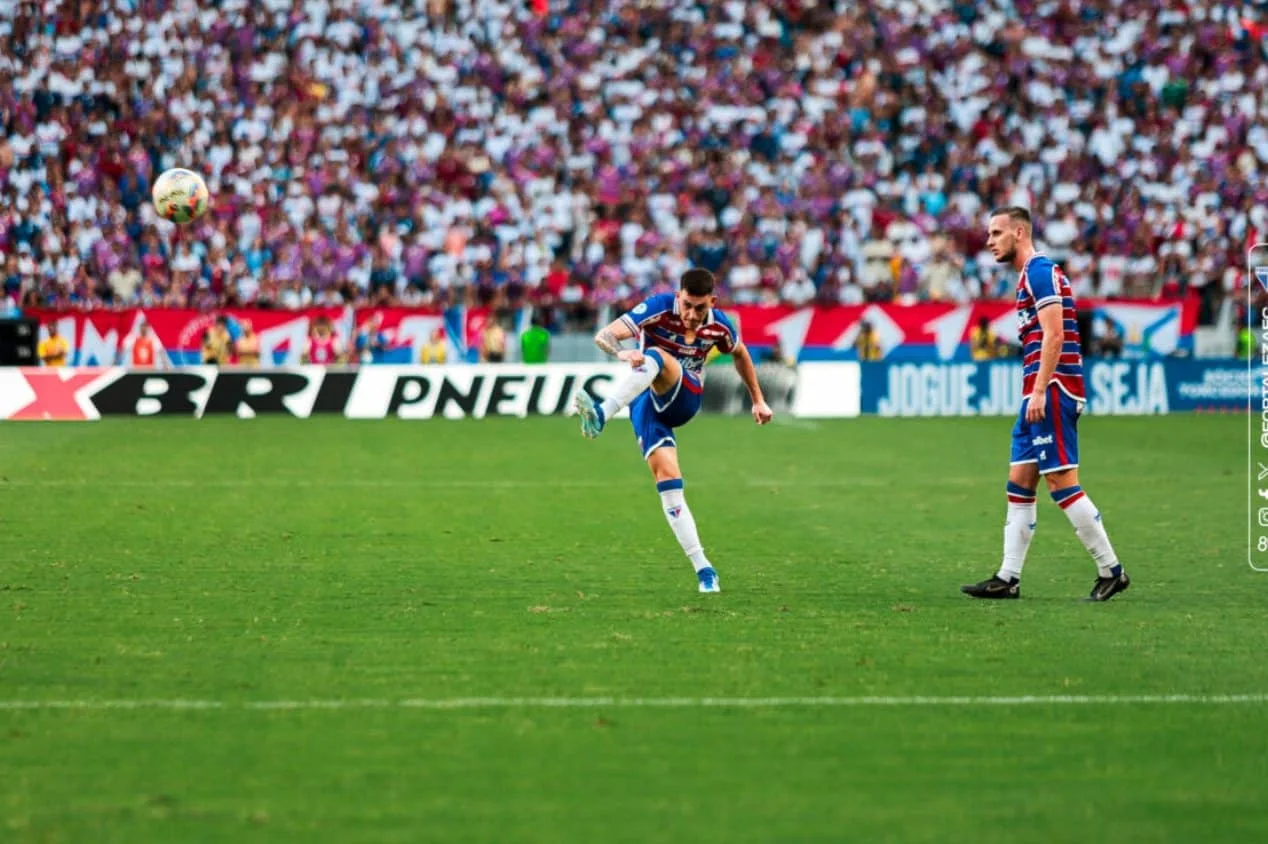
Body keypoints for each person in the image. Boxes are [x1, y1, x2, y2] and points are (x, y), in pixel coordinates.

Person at [962, 207, 1130, 602]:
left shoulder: (1039, 271)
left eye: (997, 233)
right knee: (1020, 482)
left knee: (1060, 482)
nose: (990, 241)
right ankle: (1008, 577)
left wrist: (1039, 390)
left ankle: (1112, 570)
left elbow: (1055, 335)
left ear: (1019, 232)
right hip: (1036, 392)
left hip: (1052, 389)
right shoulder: (1029, 275)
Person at [573, 268, 774, 593]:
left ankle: (602, 413)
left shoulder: (720, 325)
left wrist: (758, 400)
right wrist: (622, 351)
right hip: (646, 403)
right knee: (668, 482)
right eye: (687, 305)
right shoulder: (658, 307)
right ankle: (704, 570)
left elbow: (740, 354)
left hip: (685, 395)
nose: (692, 315)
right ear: (678, 296)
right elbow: (604, 335)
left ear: (712, 302)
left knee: (655, 354)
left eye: (700, 308)